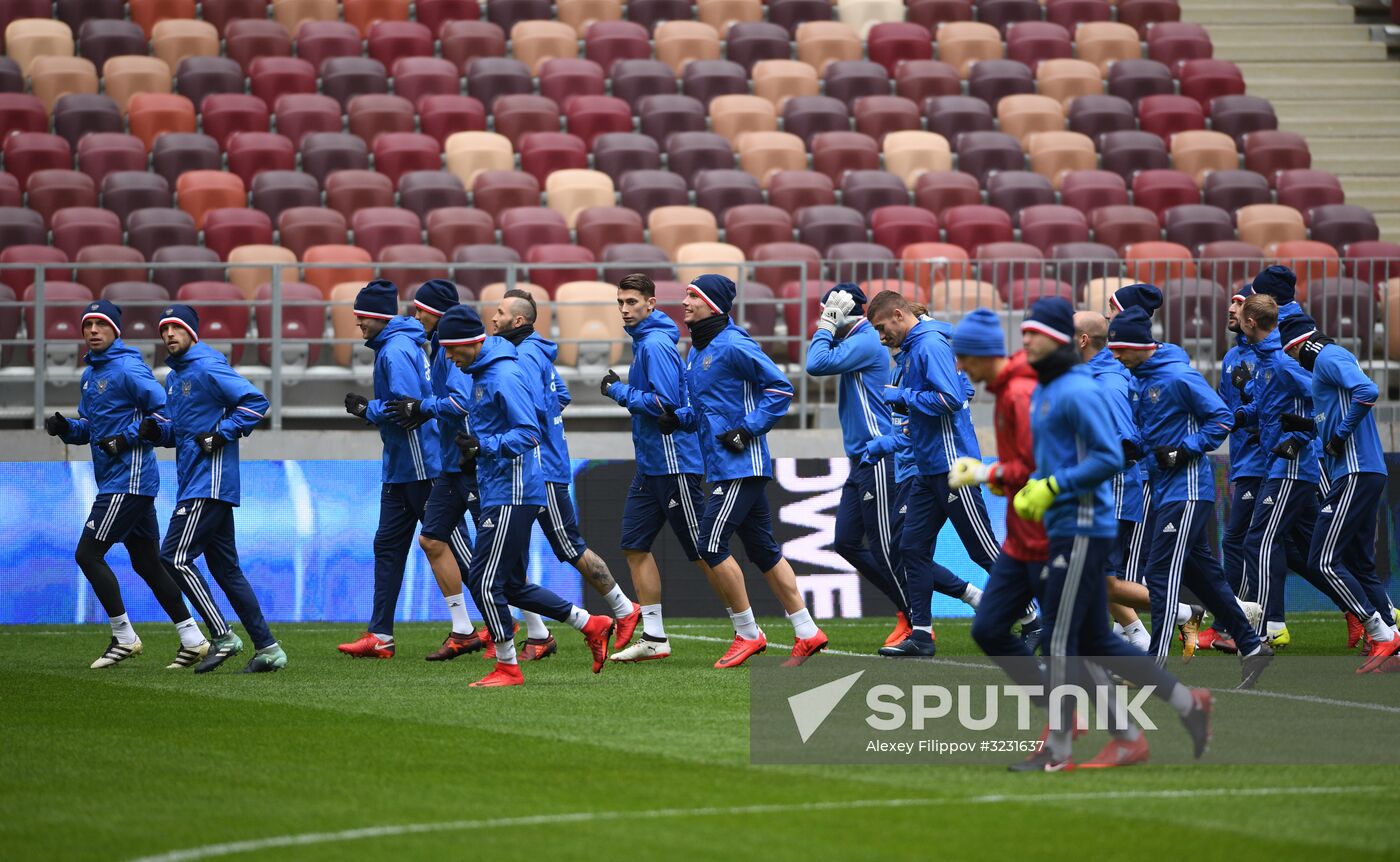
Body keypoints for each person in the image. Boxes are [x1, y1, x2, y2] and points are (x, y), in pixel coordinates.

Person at [1005, 298, 1214, 770]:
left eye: (1043, 334)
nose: (1033, 343)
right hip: (1072, 513)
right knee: (1088, 627)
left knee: (1070, 622)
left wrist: (1057, 485)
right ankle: (1170, 708)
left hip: (1096, 511)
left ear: (1075, 340)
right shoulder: (1072, 381)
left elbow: (1120, 451)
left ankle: (1062, 742)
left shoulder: (1101, 384)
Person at [435, 304, 616, 686]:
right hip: (500, 487)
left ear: (470, 342)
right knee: (512, 584)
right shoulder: (484, 372)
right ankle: (591, 623)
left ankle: (507, 666)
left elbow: (530, 432)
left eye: (451, 348)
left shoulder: (503, 375)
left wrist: (483, 447)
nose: (448, 357)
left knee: (484, 580)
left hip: (513, 492)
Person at [1107, 306, 1272, 688]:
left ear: (1138, 346)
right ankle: (1252, 646)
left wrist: (1186, 449)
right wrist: (1132, 450)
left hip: (1188, 490)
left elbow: (1221, 418)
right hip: (1165, 489)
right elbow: (1150, 430)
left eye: (1120, 349)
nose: (1115, 356)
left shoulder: (1179, 376)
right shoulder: (1137, 378)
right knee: (1208, 577)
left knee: (1159, 573)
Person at [45, 300, 215, 669]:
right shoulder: (90, 375)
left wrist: (126, 439)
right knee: (148, 564)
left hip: (129, 480)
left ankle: (124, 636)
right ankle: (193, 638)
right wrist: (66, 429)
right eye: (88, 324)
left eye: (101, 324)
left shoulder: (127, 367)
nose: (92, 330)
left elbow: (163, 412)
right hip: (118, 480)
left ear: (115, 330)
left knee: (87, 555)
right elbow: (91, 426)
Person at [673, 274, 828, 668]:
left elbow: (780, 389)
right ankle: (808, 632)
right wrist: (678, 418)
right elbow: (711, 409)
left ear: (713, 304)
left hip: (740, 465)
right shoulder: (698, 349)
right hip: (724, 465)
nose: (685, 300)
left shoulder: (735, 344)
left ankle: (747, 633)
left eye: (693, 295)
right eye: (686, 293)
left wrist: (748, 429)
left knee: (709, 545)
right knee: (763, 551)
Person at [489, 289, 640, 659]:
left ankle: (624, 609)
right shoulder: (536, 351)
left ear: (519, 320)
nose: (492, 318)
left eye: (499, 312)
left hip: (541, 468)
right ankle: (539, 636)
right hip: (532, 464)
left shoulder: (521, 356)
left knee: (568, 546)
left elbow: (535, 405)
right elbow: (560, 394)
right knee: (513, 557)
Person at [144, 304, 286, 673]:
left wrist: (222, 434)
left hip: (209, 482)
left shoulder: (207, 365)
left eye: (175, 328)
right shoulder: (174, 378)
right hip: (195, 481)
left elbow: (256, 401)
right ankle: (269, 648)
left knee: (172, 557)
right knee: (226, 571)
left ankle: (222, 636)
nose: (169, 335)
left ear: (192, 333)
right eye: (164, 330)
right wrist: (157, 432)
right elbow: (181, 431)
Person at [602, 273, 721, 662]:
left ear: (651, 304)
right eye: (621, 302)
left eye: (632, 302)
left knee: (704, 550)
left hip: (673, 462)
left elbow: (665, 404)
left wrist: (618, 391)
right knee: (634, 545)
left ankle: (747, 627)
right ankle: (654, 636)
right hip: (651, 464)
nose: (624, 309)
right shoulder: (648, 342)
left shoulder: (654, 345)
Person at [863, 291, 988, 657]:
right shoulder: (917, 347)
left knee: (983, 551)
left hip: (952, 467)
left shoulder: (929, 345)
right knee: (910, 548)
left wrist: (902, 396)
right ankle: (921, 633)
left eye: (882, 327)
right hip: (927, 466)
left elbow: (950, 399)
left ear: (899, 315)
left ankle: (1035, 617)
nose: (881, 336)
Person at [337, 280, 454, 660]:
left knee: (455, 547)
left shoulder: (396, 350)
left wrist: (364, 410)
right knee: (387, 546)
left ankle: (497, 623)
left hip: (420, 463)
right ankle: (380, 635)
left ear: (377, 316)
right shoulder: (396, 346)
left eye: (361, 317)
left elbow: (407, 411)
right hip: (401, 466)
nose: (357, 324)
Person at [1278, 312, 1400, 672]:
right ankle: (1392, 644)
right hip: (1359, 472)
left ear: (1298, 345)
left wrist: (1339, 436)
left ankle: (1381, 633)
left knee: (1323, 560)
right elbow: (1335, 414)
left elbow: (1369, 391)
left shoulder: (1329, 357)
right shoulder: (1325, 364)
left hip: (1355, 471)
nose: (1292, 360)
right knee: (1360, 564)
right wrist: (1307, 428)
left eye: (1291, 353)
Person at [377, 280, 488, 661]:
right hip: (452, 465)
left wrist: (420, 408)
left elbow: (459, 404)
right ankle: (463, 629)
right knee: (432, 540)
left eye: (421, 309)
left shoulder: (449, 351)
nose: (414, 315)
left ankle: (567, 623)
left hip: (472, 463)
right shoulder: (439, 350)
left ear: (438, 314)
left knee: (493, 554)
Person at [802, 283, 911, 649]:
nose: (823, 320)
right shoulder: (860, 341)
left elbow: (815, 364)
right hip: (862, 458)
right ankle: (958, 593)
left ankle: (913, 617)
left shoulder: (865, 340)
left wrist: (826, 325)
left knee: (885, 546)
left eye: (829, 311)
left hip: (878, 455)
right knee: (847, 541)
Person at [950, 310, 1046, 669]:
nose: (958, 366)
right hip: (1023, 537)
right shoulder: (1008, 391)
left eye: (963, 356)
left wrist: (984, 472)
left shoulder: (1020, 394)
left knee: (1078, 640)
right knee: (989, 629)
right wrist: (995, 477)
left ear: (982, 353)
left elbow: (1036, 465)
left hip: (1050, 533)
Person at [1235, 292, 1323, 647]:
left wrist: (1301, 435)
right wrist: (1239, 415)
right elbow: (1267, 404)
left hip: (1292, 467)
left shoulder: (1282, 360)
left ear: (1250, 323)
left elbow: (1323, 394)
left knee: (1259, 540)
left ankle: (1265, 627)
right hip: (1278, 465)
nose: (1235, 317)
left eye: (1239, 313)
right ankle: (1372, 613)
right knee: (1319, 554)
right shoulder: (1266, 358)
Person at [1072, 310, 1155, 653]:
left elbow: (1126, 443)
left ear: (1082, 340)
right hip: (1098, 490)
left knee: (1095, 579)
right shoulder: (1091, 375)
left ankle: (1185, 612)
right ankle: (1135, 633)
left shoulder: (1108, 383)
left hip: (1114, 490)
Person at [1202, 284, 1269, 653]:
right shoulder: (1231, 358)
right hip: (1243, 460)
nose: (1230, 309)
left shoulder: (1270, 357)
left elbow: (1265, 409)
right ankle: (1367, 614)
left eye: (1238, 304)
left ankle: (1233, 623)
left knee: (1238, 541)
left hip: (1264, 463)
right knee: (1301, 549)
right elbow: (1226, 412)